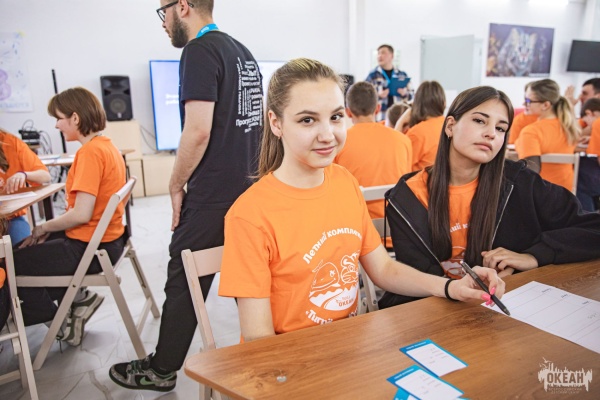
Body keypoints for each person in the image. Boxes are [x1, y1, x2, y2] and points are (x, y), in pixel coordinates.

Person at [218, 58, 505, 342]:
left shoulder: (344, 181)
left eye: (335, 117)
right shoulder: (250, 215)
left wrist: (450, 288)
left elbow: (384, 269)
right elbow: (259, 338)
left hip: (351, 346)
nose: (327, 135)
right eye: (307, 120)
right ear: (276, 123)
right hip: (295, 360)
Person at [109, 0, 263, 392]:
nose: (163, 23)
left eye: (163, 12)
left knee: (184, 277)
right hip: (249, 190)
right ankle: (266, 356)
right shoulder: (242, 52)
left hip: (212, 194)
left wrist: (175, 184)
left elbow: (197, 131)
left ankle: (161, 370)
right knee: (248, 279)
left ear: (182, 7)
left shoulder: (198, 50)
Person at [379, 86, 600, 308]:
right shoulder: (408, 196)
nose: (491, 133)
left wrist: (534, 256)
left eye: (500, 128)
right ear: (450, 126)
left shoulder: (519, 182)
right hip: (435, 311)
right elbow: (415, 279)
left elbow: (592, 227)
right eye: (479, 121)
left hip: (505, 308)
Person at [14, 87, 126, 344]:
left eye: (59, 118)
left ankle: (59, 324)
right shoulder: (106, 146)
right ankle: (79, 299)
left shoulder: (89, 153)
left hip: (91, 249)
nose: (56, 125)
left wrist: (43, 228)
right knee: (27, 250)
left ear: (75, 118)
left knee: (11, 264)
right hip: (108, 242)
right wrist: (51, 229)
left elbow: (81, 214)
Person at [334, 81, 412, 219]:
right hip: (396, 224)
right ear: (377, 108)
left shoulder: (338, 143)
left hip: (355, 224)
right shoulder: (403, 141)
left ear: (348, 112)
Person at [515, 79, 580, 191]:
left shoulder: (531, 131)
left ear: (545, 105)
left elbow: (531, 171)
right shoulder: (569, 127)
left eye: (528, 100)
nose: (524, 104)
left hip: (541, 193)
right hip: (567, 191)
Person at [0, 129, 51, 244]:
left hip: (11, 218)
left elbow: (45, 176)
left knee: (23, 248)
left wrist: (24, 174)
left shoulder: (10, 142)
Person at [395, 81, 446, 171]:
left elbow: (395, 162)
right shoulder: (450, 125)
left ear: (417, 104)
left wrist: (400, 123)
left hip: (420, 179)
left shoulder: (417, 133)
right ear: (444, 103)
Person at [365, 44, 412, 121]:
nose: (380, 56)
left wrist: (404, 93)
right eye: (378, 53)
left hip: (399, 118)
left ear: (392, 56)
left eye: (383, 53)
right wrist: (378, 95)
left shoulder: (402, 75)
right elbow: (364, 97)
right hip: (380, 117)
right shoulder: (372, 76)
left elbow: (412, 96)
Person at [577, 98, 600, 211]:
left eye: (586, 122)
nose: (588, 126)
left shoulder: (597, 123)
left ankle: (587, 215)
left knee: (580, 178)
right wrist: (591, 139)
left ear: (589, 113)